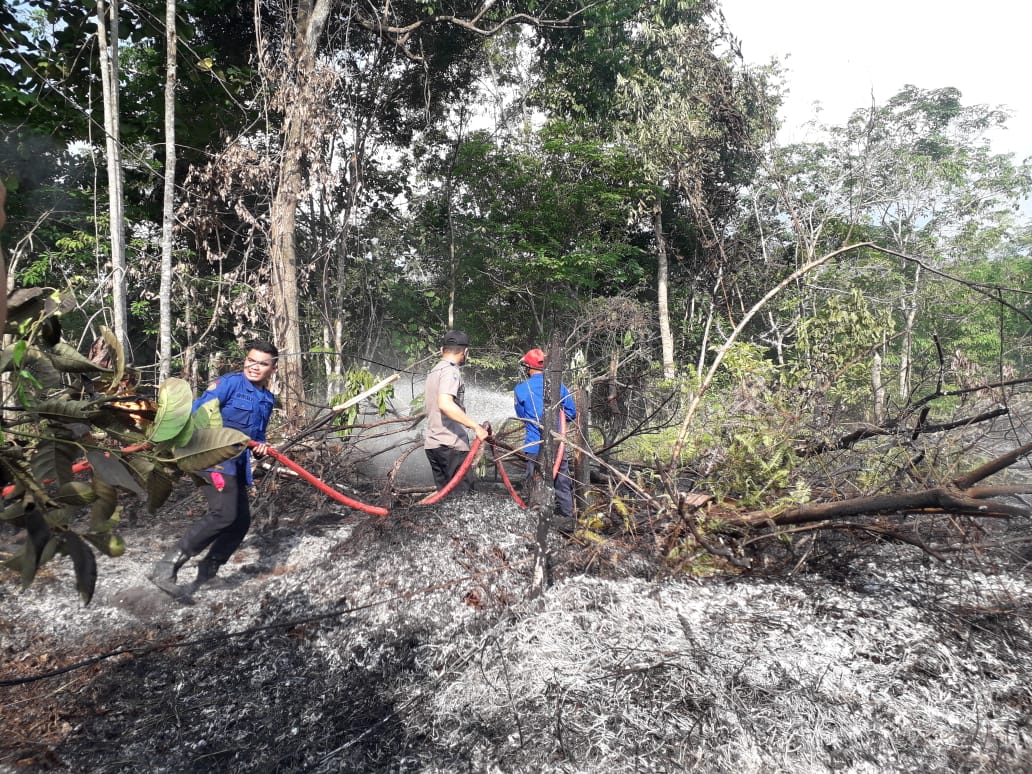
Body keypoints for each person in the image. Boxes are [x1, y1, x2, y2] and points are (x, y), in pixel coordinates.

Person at [150, 341, 278, 599]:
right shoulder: (229, 384)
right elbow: (198, 413)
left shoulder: (267, 399)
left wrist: (261, 448)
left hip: (237, 465)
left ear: (273, 368)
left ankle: (207, 572)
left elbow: (257, 436)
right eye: (251, 360)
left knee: (240, 522)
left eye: (262, 363)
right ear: (245, 360)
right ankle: (166, 567)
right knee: (223, 513)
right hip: (211, 458)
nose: (254, 367)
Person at [423, 330, 490, 497]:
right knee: (463, 499)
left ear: (441, 350)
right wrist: (476, 427)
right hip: (451, 446)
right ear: (466, 352)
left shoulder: (435, 370)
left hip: (433, 445)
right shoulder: (450, 371)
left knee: (445, 498)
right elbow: (445, 404)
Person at [514, 348, 577, 519]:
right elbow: (571, 413)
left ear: (528, 367)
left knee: (535, 483)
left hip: (534, 445)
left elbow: (522, 416)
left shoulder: (521, 389)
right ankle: (567, 519)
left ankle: (535, 519)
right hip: (557, 446)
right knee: (562, 483)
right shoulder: (559, 386)